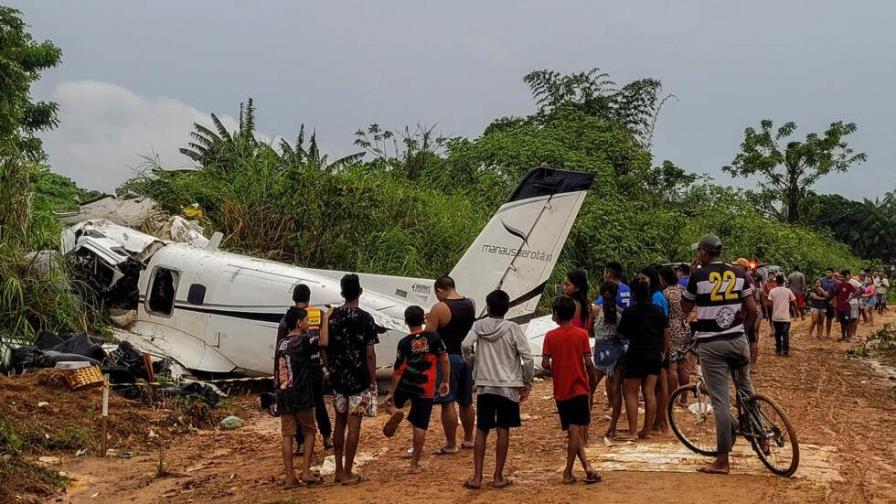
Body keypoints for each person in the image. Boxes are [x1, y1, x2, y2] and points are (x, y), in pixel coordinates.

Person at [680, 234, 759, 474]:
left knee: (721, 400)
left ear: (704, 252)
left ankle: (722, 460)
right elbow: (752, 310)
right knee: (746, 390)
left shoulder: (698, 275)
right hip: (737, 341)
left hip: (711, 343)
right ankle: (762, 435)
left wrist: (692, 276)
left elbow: (685, 308)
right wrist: (740, 331)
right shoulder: (739, 273)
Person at [461, 290, 534, 490]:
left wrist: (472, 363)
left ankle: (477, 477)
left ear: (489, 306)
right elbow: (527, 358)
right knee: (503, 430)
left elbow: (466, 344)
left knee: (482, 429)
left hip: (485, 385)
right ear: (507, 308)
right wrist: (527, 382)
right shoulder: (513, 328)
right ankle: (498, 476)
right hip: (508, 386)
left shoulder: (478, 326)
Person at [320, 274, 378, 485]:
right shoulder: (366, 318)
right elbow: (370, 352)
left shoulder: (331, 317)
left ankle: (337, 469)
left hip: (338, 379)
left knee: (340, 422)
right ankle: (347, 472)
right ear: (360, 292)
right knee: (355, 425)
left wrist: (330, 368)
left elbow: (323, 347)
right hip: (359, 379)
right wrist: (372, 379)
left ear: (342, 293)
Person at [382, 306, 450, 474]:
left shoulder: (404, 342)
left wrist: (391, 391)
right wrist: (445, 381)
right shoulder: (434, 338)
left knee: (389, 405)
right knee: (420, 425)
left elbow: (398, 369)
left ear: (406, 321)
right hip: (425, 387)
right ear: (424, 319)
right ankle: (414, 465)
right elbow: (445, 359)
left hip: (406, 383)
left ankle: (395, 412)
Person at [542, 295, 601, 485]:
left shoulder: (550, 337)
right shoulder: (582, 334)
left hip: (561, 388)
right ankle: (570, 470)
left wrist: (558, 366)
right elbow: (588, 361)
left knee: (572, 430)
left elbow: (545, 363)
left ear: (556, 314)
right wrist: (591, 377)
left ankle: (585, 467)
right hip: (579, 387)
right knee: (575, 430)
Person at [277, 284, 332, 452]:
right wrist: (327, 366)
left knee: (300, 406)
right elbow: (323, 344)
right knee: (319, 402)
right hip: (315, 366)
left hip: (296, 369)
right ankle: (327, 436)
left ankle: (301, 443)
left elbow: (280, 347)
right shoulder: (318, 314)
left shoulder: (288, 318)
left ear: (293, 298)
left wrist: (280, 376)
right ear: (309, 298)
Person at [426, 275, 476, 455]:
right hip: (465, 356)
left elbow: (429, 336)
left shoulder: (440, 307)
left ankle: (451, 443)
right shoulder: (470, 303)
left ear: (440, 290)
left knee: (447, 402)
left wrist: (430, 319)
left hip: (448, 358)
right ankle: (470, 438)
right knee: (467, 401)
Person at [617, 278, 669, 440]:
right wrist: (663, 351)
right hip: (653, 353)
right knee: (649, 392)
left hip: (636, 353)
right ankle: (646, 429)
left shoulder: (630, 312)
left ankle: (633, 431)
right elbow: (666, 332)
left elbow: (622, 334)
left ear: (632, 294)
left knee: (630, 392)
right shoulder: (656, 310)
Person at [275, 307, 321, 487]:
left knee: (287, 435)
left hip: (283, 393)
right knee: (309, 431)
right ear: (299, 323)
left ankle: (289, 476)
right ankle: (306, 471)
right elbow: (323, 342)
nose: (309, 323)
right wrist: (324, 321)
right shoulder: (303, 340)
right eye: (307, 320)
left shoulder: (282, 343)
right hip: (301, 394)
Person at [589, 281, 626, 439]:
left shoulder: (596, 311)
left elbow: (590, 330)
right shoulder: (619, 313)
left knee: (589, 388)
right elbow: (623, 334)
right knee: (616, 391)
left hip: (600, 353)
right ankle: (612, 428)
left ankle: (584, 428)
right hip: (616, 353)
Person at [638, 266, 669, 433]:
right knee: (658, 385)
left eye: (644, 279)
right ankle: (660, 421)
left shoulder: (656, 298)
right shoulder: (655, 296)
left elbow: (662, 325)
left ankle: (659, 421)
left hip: (658, 345)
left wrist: (663, 349)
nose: (642, 282)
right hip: (658, 345)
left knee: (660, 385)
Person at [660, 266, 692, 401]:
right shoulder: (683, 290)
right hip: (684, 327)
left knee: (672, 367)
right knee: (683, 363)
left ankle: (673, 397)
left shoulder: (665, 293)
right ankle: (684, 397)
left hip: (672, 328)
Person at [768, 274, 796, 356]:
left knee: (777, 334)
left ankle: (778, 350)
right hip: (785, 317)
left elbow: (769, 304)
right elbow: (794, 301)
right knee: (785, 334)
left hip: (775, 317)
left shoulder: (772, 291)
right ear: (783, 281)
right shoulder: (788, 291)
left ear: (775, 282)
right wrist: (795, 311)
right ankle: (786, 351)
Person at [830, 270, 855, 341]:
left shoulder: (849, 285)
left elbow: (856, 291)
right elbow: (834, 294)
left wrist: (849, 299)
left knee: (847, 321)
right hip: (839, 307)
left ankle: (848, 336)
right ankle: (843, 336)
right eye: (839, 277)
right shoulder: (838, 285)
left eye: (841, 277)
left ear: (844, 277)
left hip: (846, 307)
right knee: (842, 322)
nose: (840, 278)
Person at [820, 268, 837, 338]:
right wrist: (823, 292)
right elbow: (817, 287)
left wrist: (833, 300)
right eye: (826, 272)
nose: (827, 274)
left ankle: (828, 334)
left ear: (833, 273)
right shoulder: (822, 280)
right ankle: (819, 333)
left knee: (829, 318)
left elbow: (836, 293)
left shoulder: (835, 282)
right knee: (820, 318)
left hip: (831, 302)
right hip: (822, 301)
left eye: (829, 272)